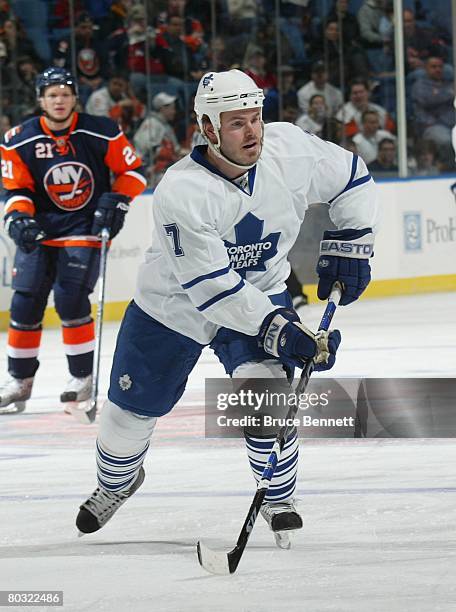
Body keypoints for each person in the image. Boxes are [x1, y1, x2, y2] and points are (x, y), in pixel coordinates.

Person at [75, 69, 379, 543]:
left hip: (259, 293)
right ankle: (116, 482)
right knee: (127, 415)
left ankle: (277, 497)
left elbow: (352, 178)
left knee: (267, 397)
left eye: (255, 118)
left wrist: (351, 241)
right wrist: (284, 331)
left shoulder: (291, 149)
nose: (252, 131)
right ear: (208, 128)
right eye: (236, 122)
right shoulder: (182, 190)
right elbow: (212, 287)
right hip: (174, 305)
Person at [0, 67, 146, 415]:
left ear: (74, 97)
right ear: (41, 100)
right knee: (24, 304)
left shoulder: (101, 130)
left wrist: (118, 200)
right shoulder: (18, 138)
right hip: (41, 230)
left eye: (65, 94)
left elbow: (133, 171)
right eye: (52, 95)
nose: (59, 100)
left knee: (70, 299)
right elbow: (16, 188)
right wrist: (18, 216)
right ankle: (19, 381)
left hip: (85, 226)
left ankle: (81, 378)